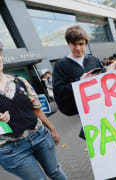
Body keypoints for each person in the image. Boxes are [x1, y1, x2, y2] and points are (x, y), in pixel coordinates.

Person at [53, 25, 116, 139]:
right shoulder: (60, 65)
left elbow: (106, 76)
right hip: (87, 117)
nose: (78, 48)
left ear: (86, 43)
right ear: (68, 44)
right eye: (74, 44)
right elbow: (59, 92)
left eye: (81, 44)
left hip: (106, 110)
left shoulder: (93, 60)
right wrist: (80, 82)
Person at [0, 41, 67, 179]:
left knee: (55, 172)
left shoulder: (21, 82)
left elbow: (36, 110)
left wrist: (52, 129)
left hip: (40, 136)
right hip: (11, 150)